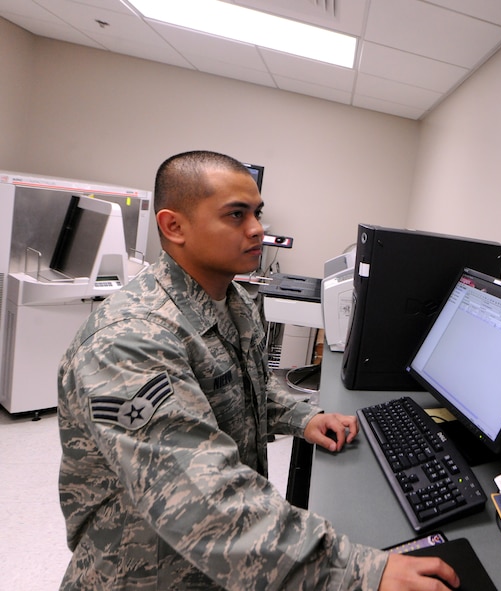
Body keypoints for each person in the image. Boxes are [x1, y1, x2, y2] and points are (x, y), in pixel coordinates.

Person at [57, 150, 460, 590]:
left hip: (218, 565)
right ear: (174, 226)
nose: (257, 230)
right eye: (236, 215)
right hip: (144, 571)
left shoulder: (232, 302)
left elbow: (244, 389)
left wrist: (303, 417)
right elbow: (196, 498)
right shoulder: (130, 341)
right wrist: (358, 571)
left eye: (257, 213)